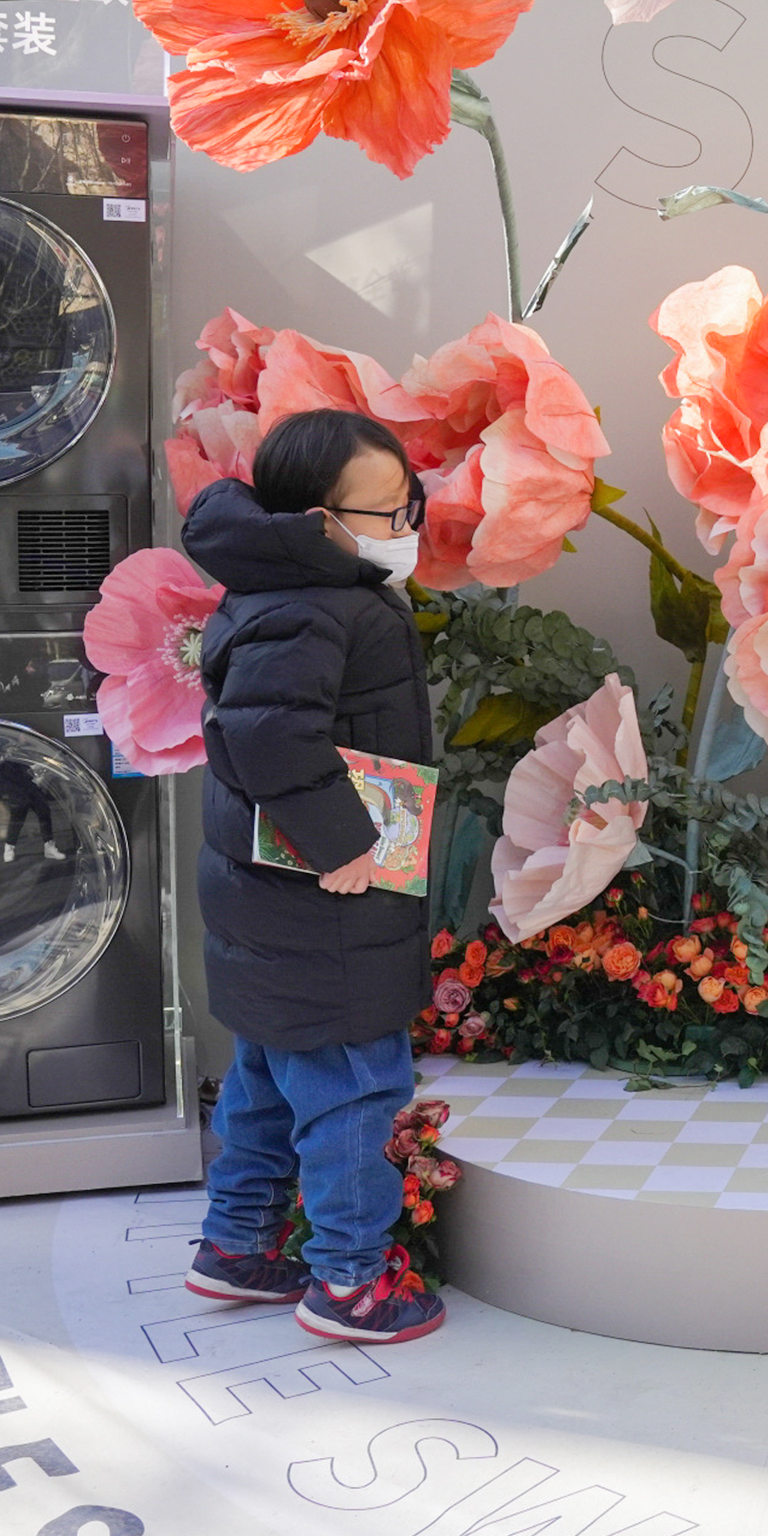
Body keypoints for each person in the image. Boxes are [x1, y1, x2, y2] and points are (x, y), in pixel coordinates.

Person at [176, 407, 446, 1344]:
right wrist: (342, 844)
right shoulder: (312, 602)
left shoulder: (298, 586)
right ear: (312, 521)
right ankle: (350, 1281)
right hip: (322, 897)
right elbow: (267, 733)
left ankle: (238, 1244)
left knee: (267, 1069)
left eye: (409, 505)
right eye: (381, 517)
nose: (404, 530)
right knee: (353, 1084)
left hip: (273, 904)